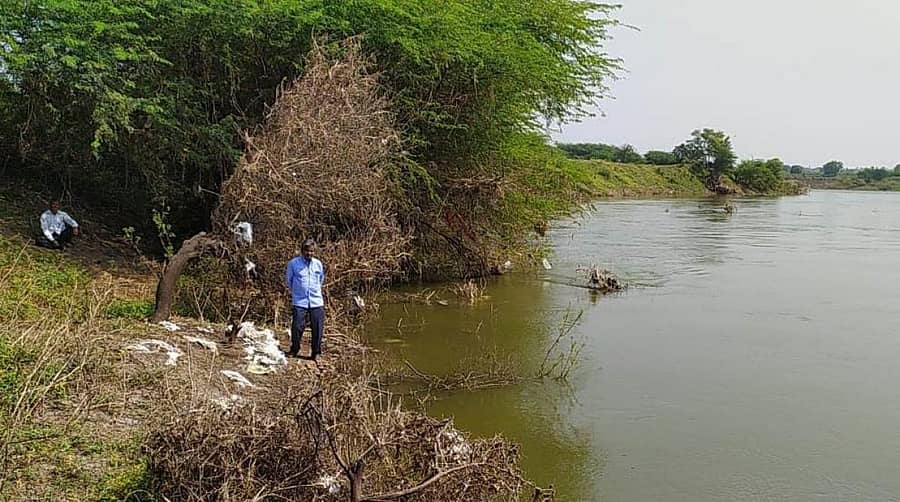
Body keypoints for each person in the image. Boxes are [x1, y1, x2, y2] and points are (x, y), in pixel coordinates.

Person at [285, 239, 326, 360]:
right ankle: (295, 349)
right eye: (307, 251)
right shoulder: (293, 264)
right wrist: (297, 292)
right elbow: (289, 280)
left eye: (312, 251)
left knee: (318, 327)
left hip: (316, 301)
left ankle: (316, 352)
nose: (309, 253)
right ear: (302, 251)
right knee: (297, 327)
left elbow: (321, 279)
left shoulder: (318, 264)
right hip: (300, 301)